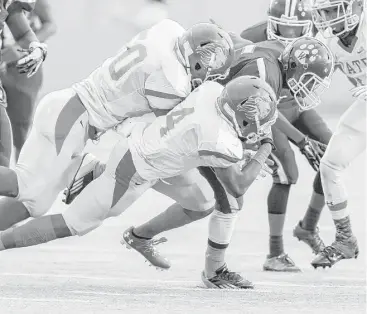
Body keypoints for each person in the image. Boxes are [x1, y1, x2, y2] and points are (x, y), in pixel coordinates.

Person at [63, 36, 335, 288]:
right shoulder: (265, 73)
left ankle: (132, 223)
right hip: (203, 125)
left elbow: (235, 43)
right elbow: (240, 109)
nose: (310, 89)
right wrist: (263, 146)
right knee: (228, 199)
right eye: (310, 80)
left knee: (189, 192)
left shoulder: (275, 53)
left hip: (199, 117)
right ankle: (214, 271)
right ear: (295, 66)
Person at [0, 76, 278, 290]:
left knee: (203, 201)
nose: (261, 125)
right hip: (132, 170)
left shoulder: (213, 91)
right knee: (74, 223)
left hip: (157, 153)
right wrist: (266, 145)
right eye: (259, 119)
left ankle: (97, 178)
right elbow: (238, 185)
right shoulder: (218, 138)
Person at [0, 19, 234, 233]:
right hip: (73, 116)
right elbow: (173, 127)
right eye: (207, 64)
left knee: (35, 203)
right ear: (195, 55)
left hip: (69, 110)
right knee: (27, 185)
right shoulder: (172, 82)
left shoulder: (168, 30)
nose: (207, 72)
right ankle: (85, 170)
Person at [239, 0, 333, 272]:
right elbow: (259, 99)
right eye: (284, 28)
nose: (290, 36)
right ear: (271, 23)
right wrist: (302, 141)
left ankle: (308, 226)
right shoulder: (252, 38)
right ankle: (275, 252)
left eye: (297, 30)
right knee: (286, 174)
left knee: (333, 155)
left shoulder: (318, 31)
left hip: (296, 103)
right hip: (268, 110)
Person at [308, 0, 366, 269]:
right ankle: (345, 238)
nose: (330, 17)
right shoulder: (328, 41)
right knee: (330, 166)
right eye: (326, 11)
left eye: (336, 9)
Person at [1, 0, 56, 161]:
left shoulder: (18, 7)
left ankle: (20, 176)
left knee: (20, 131)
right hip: (3, 63)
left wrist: (20, 49)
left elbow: (50, 25)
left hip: (21, 68)